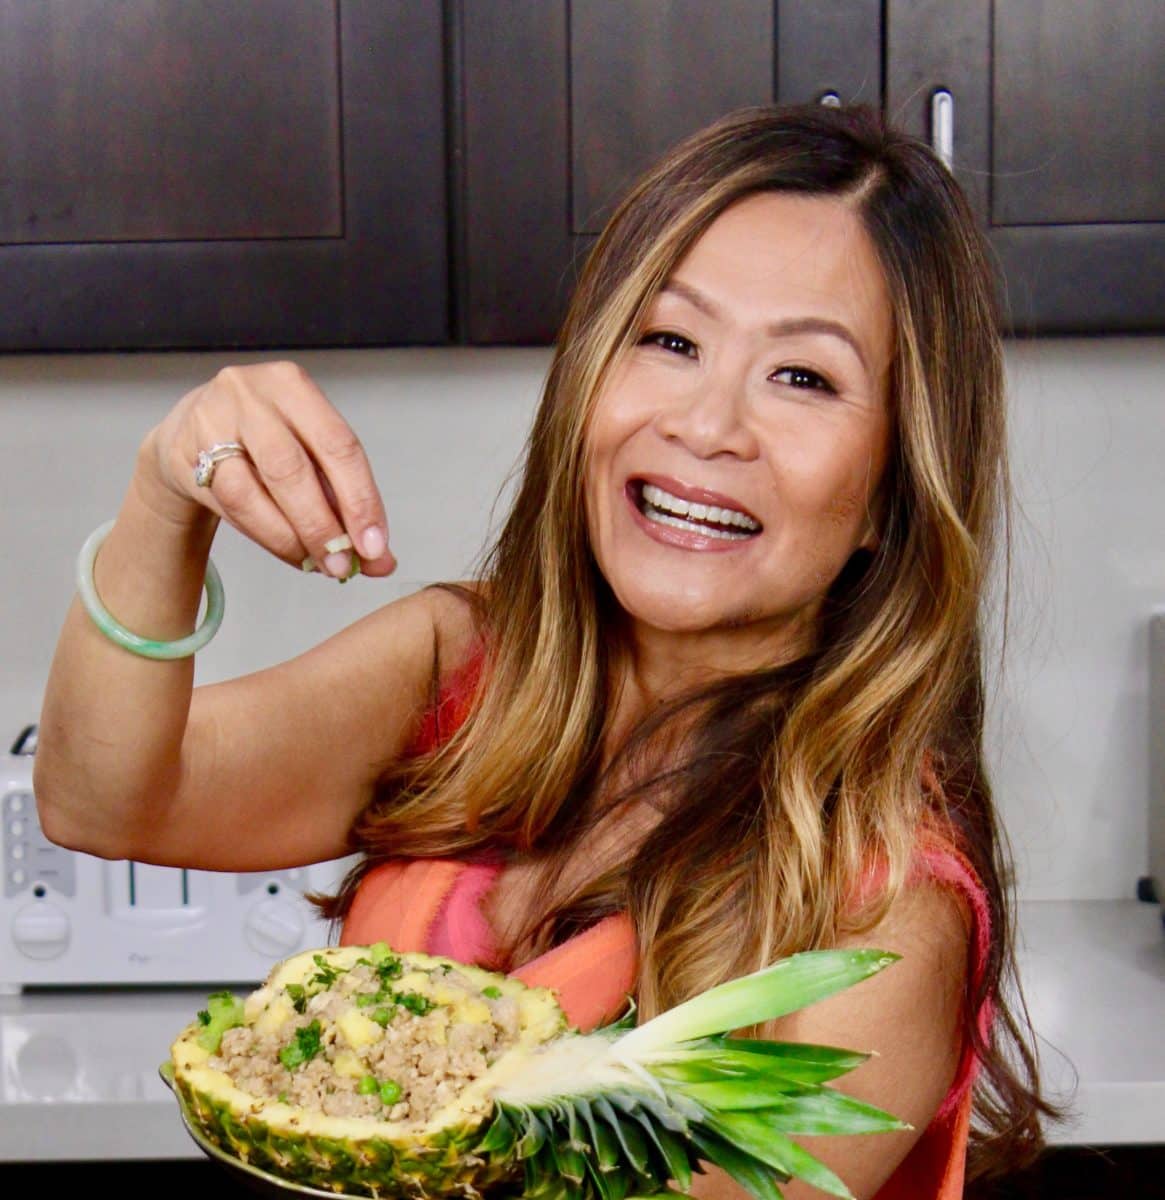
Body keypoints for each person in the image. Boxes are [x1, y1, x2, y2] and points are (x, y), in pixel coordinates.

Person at [34, 103, 1057, 1198]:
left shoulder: (884, 908)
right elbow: (104, 803)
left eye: (802, 378)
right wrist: (164, 491)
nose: (708, 425)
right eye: (669, 340)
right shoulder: (464, 670)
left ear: (892, 493)